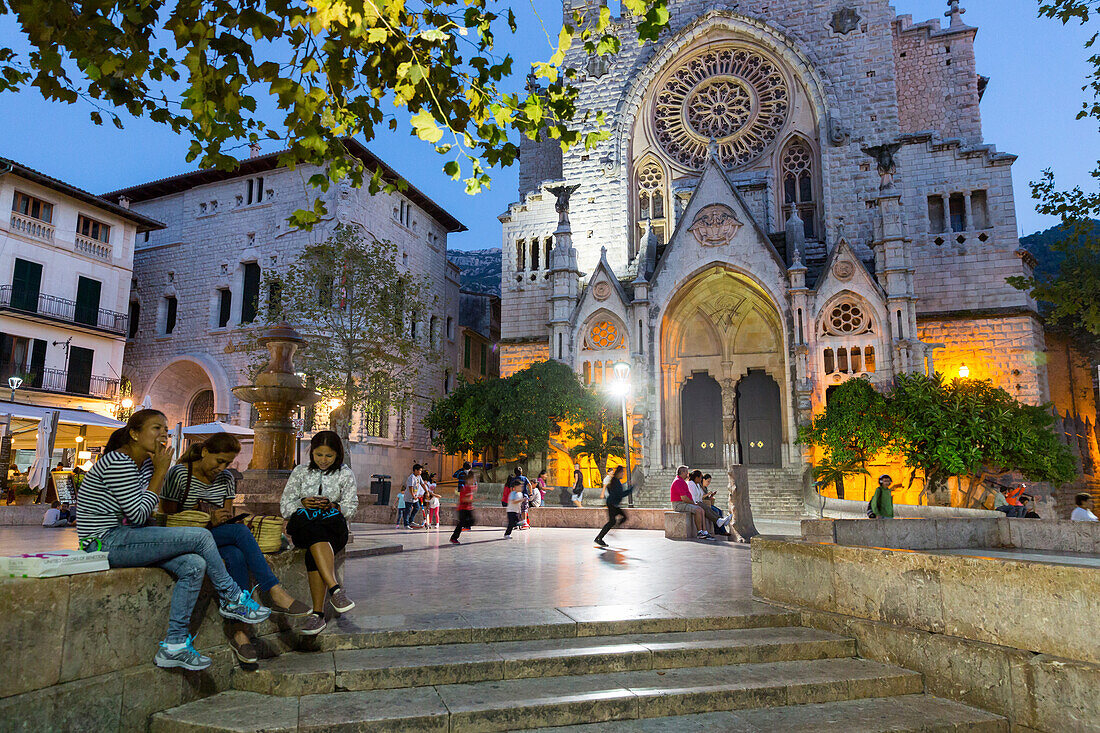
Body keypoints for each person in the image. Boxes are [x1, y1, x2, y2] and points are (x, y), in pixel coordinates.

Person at [77, 409, 271, 672]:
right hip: (104, 541)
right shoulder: (118, 461)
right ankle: (232, 598)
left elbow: (142, 515)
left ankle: (175, 645)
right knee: (201, 536)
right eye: (156, 428)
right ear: (134, 433)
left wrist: (155, 472)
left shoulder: (143, 464)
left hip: (128, 537)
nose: (163, 435)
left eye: (165, 429)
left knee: (193, 564)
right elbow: (138, 514)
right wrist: (160, 472)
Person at [163, 433, 310, 664]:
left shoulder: (226, 479)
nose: (222, 468)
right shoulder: (181, 473)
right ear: (204, 452)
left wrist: (223, 519)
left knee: (236, 553)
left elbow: (227, 517)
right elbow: (168, 517)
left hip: (214, 537)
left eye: (227, 463)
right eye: (218, 461)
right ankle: (273, 590)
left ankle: (239, 632)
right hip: (184, 536)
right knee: (239, 537)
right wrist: (207, 519)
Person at [280, 431, 359, 636]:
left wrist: (333, 505)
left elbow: (352, 507)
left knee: (316, 541)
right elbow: (285, 506)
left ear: (337, 455)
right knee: (314, 530)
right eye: (319, 455)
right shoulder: (300, 471)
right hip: (304, 526)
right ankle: (335, 592)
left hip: (333, 528)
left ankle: (318, 615)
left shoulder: (345, 473)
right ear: (312, 453)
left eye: (329, 456)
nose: (323, 460)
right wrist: (302, 503)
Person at [670, 466, 712, 540]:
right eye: (686, 472)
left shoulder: (681, 481)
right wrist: (693, 503)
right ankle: (699, 532)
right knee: (698, 510)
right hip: (679, 504)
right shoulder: (678, 481)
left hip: (683, 503)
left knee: (701, 509)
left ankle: (704, 531)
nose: (688, 474)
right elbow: (684, 498)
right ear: (682, 472)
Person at [595, 465, 632, 547]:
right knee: (613, 521)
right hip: (612, 504)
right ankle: (600, 538)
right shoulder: (615, 481)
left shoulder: (615, 481)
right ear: (619, 473)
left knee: (615, 520)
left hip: (612, 503)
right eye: (622, 472)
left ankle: (600, 537)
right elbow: (620, 494)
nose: (623, 474)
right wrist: (630, 490)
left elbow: (613, 491)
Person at [450, 472, 478, 544]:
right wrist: (473, 500)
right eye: (473, 479)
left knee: (473, 521)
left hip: (468, 508)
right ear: (468, 480)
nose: (474, 481)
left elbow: (475, 488)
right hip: (462, 508)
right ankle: (453, 538)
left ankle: (462, 525)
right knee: (462, 523)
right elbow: (463, 499)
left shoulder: (471, 487)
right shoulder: (464, 488)